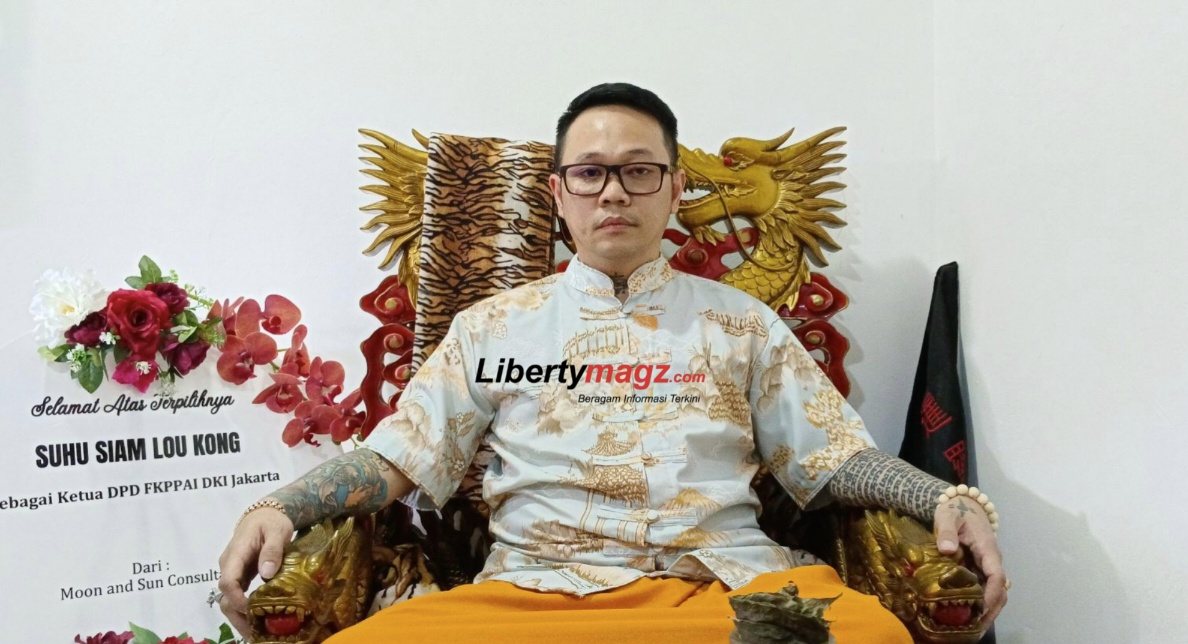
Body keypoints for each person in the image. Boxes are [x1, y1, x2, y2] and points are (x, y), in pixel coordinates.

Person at [218, 83, 1007, 643]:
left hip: (726, 592)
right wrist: (281, 506)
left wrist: (941, 495)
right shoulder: (494, 327)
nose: (614, 194)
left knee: (869, 635)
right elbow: (399, 457)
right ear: (559, 193)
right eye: (590, 172)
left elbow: (833, 459)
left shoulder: (742, 324)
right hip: (535, 599)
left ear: (675, 188)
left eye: (639, 170)